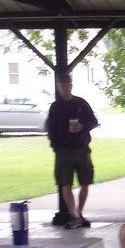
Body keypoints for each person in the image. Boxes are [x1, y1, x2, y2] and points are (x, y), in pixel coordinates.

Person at [45, 73, 99, 229]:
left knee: (85, 182)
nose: (66, 88)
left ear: (72, 85)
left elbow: (93, 121)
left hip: (82, 149)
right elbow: (50, 129)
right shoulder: (55, 107)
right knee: (65, 184)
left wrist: (82, 126)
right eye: (63, 86)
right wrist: (57, 146)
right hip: (64, 151)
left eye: (68, 85)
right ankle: (72, 215)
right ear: (58, 87)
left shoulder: (81, 103)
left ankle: (80, 213)